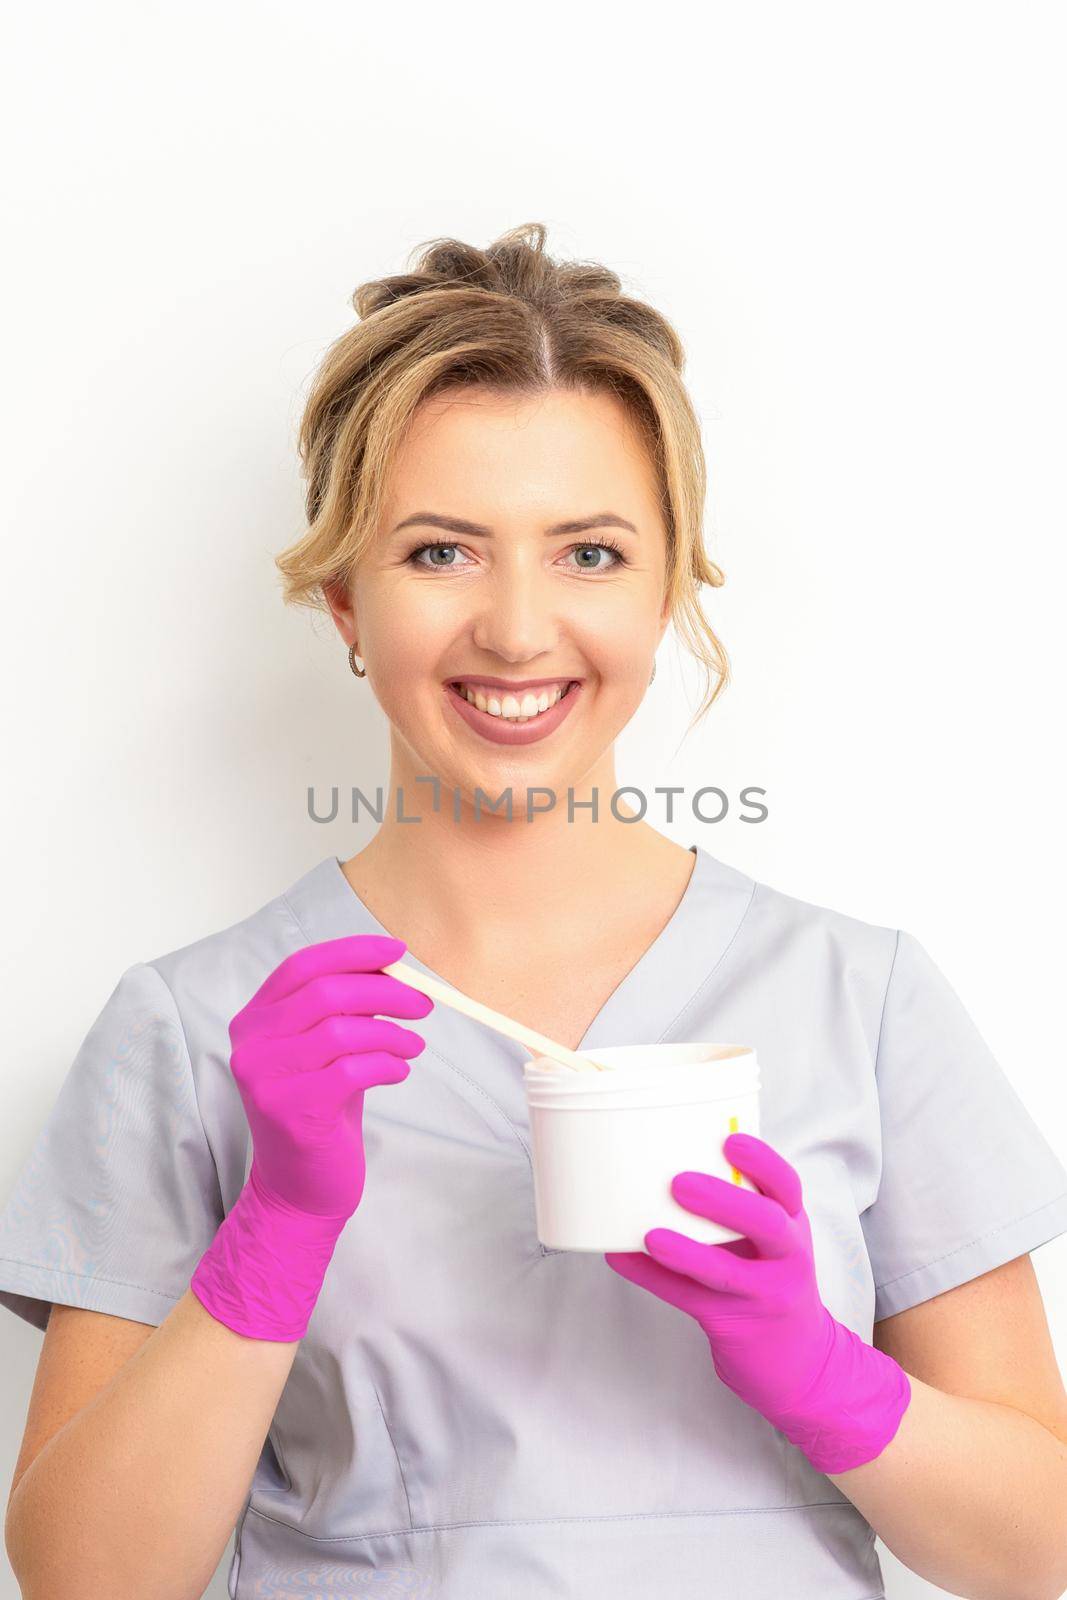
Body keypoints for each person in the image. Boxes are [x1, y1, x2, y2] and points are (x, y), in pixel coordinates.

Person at [3, 222, 1067, 1600]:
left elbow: (1043, 1551)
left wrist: (819, 1371)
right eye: (441, 553)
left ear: (670, 583)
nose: (516, 630)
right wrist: (273, 1237)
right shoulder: (195, 1029)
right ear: (342, 599)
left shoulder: (858, 1000)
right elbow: (86, 1579)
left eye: (591, 553)